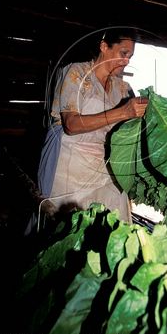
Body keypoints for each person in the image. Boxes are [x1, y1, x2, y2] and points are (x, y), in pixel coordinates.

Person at [37, 28, 148, 225]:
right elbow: (71, 124)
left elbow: (129, 133)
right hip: (71, 167)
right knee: (69, 231)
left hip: (104, 168)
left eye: (130, 56)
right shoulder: (75, 74)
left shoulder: (123, 89)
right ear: (104, 47)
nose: (126, 61)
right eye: (123, 53)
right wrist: (124, 112)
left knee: (116, 225)